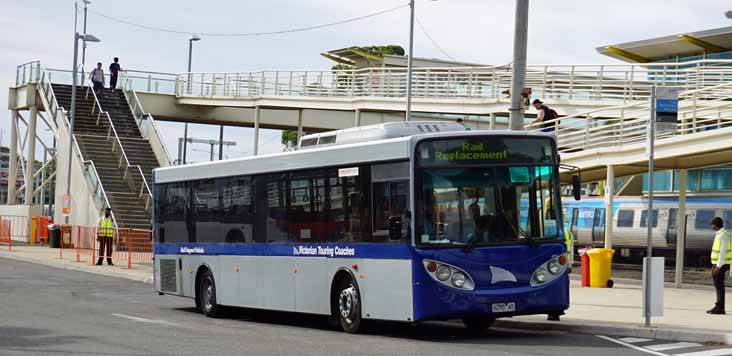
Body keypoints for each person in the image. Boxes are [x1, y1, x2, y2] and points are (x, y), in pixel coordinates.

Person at [708, 217, 730, 315]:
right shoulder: (719, 234)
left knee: (719, 286)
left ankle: (720, 308)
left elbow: (723, 252)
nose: (711, 227)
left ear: (716, 225)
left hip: (720, 265)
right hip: (717, 264)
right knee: (718, 286)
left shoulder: (723, 235)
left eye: (712, 225)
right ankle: (718, 306)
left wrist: (718, 266)